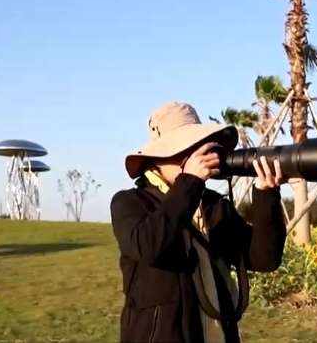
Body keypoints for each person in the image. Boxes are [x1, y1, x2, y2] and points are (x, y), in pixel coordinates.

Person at [110, 102, 287, 343]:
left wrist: (265, 194)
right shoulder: (130, 203)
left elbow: (264, 258)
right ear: (156, 158)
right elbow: (149, 246)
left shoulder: (214, 205)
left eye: (197, 147)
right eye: (183, 148)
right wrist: (190, 182)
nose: (194, 155)